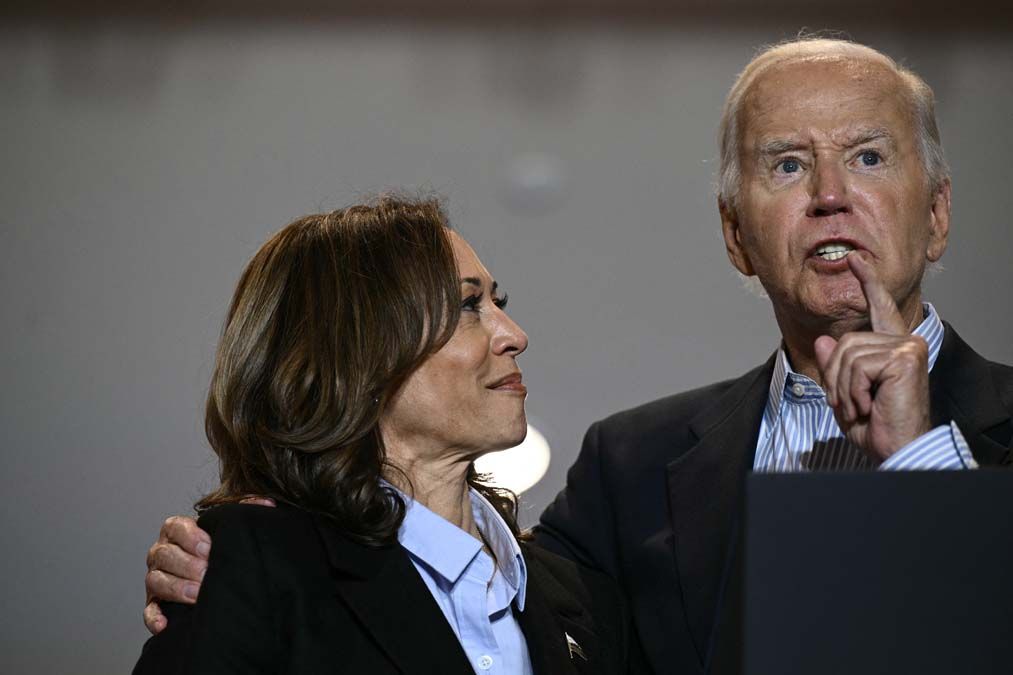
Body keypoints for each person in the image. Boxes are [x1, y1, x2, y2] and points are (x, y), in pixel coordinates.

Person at [142, 38, 1013, 675]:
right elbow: (432, 574)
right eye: (785, 166)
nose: (828, 195)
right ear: (735, 235)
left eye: (866, 156)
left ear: (935, 214)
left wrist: (917, 467)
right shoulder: (630, 467)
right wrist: (249, 554)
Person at [133, 197, 635, 674]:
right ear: (356, 355)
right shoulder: (261, 566)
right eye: (468, 305)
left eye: (496, 301)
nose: (514, 334)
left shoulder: (583, 601)